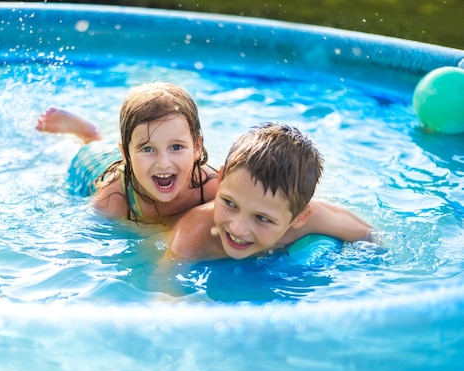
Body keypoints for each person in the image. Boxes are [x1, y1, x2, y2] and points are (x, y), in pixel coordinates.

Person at [167, 122, 376, 260]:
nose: (238, 228)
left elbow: (369, 236)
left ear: (300, 217)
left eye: (262, 218)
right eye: (230, 203)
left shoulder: (312, 219)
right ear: (220, 181)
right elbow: (165, 297)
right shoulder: (191, 238)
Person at [36, 82, 219, 224]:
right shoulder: (113, 199)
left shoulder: (210, 186)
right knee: (72, 157)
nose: (164, 162)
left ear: (196, 147)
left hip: (136, 164)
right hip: (93, 161)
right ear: (126, 154)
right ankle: (90, 136)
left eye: (176, 147)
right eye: (147, 149)